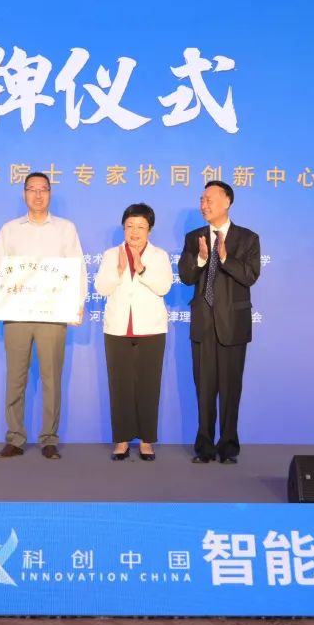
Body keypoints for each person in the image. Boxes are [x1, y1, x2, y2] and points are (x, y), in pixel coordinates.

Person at [0, 172, 87, 460]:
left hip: (53, 313)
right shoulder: (10, 230)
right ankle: (15, 438)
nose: (38, 195)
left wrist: (77, 303)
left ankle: (49, 438)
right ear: (24, 193)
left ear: (50, 193)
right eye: (32, 190)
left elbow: (77, 268)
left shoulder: (65, 229)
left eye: (43, 190)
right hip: (16, 314)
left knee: (52, 378)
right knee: (16, 377)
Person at [177, 181, 261, 464]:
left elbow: (250, 275)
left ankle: (227, 447)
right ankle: (204, 447)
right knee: (204, 389)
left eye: (209, 199)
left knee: (230, 389)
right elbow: (186, 277)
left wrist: (224, 256)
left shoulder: (248, 239)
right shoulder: (194, 238)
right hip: (203, 324)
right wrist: (202, 259)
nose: (204, 205)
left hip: (233, 325)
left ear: (227, 202)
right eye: (202, 200)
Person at [94, 203, 173, 462]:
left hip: (151, 329)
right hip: (117, 330)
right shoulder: (111, 255)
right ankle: (122, 440)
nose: (134, 232)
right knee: (120, 386)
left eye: (140, 226)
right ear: (123, 228)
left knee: (149, 386)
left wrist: (141, 268)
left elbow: (164, 287)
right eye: (129, 226)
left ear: (150, 229)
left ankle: (147, 441)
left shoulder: (159, 256)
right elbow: (101, 288)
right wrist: (118, 271)